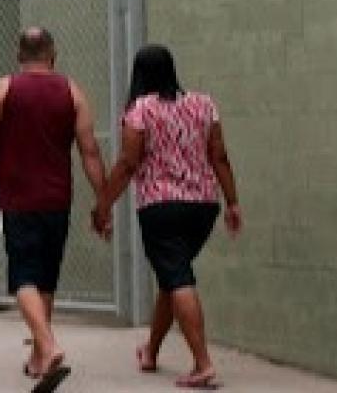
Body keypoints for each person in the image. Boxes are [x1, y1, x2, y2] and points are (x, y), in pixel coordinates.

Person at [0, 27, 107, 392]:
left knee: (23, 278)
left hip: (20, 200)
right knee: (45, 279)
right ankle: (39, 359)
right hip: (57, 201)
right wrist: (102, 202)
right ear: (52, 53)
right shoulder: (71, 91)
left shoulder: (3, 90)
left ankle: (51, 346)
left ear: (19, 55)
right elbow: (90, 152)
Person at [93, 44, 241, 391]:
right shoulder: (204, 103)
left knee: (177, 278)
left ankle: (203, 364)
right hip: (203, 206)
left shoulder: (140, 110)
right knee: (171, 277)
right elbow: (219, 156)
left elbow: (129, 163)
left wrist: (103, 206)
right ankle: (151, 351)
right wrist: (233, 202)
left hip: (161, 207)